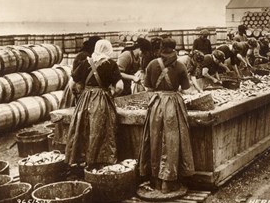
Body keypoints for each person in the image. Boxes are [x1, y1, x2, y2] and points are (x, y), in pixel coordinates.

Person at [138, 38, 195, 194]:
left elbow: (148, 89)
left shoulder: (151, 64)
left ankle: (156, 180)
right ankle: (168, 182)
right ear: (174, 48)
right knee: (172, 142)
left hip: (156, 105)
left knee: (155, 140)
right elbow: (185, 89)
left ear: (161, 47)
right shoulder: (181, 65)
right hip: (172, 106)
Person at [65, 40, 124, 173]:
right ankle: (99, 162)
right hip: (101, 100)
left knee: (82, 128)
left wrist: (78, 95)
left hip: (85, 99)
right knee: (101, 129)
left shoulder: (85, 62)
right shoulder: (110, 64)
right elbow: (120, 86)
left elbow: (71, 84)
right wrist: (112, 93)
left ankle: (80, 161)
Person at [59, 36, 101, 109]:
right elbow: (79, 74)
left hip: (77, 84)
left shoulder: (86, 54)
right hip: (76, 86)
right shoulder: (84, 56)